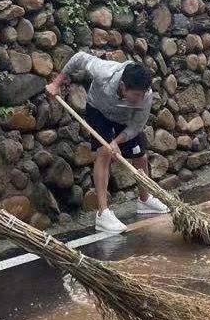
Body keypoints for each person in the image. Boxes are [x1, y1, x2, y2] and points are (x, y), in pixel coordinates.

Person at [46, 52, 169, 233]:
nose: (140, 98)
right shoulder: (104, 72)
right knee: (104, 153)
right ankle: (103, 214)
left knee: (140, 155)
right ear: (122, 86)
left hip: (125, 119)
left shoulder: (146, 95)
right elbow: (79, 58)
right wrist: (56, 83)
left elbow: (137, 125)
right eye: (136, 94)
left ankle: (145, 200)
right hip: (99, 110)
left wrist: (117, 141)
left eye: (143, 94)